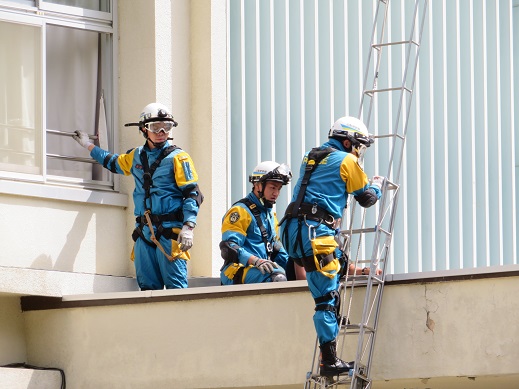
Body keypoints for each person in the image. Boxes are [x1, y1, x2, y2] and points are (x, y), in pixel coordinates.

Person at [279, 116, 383, 376]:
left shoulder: (310, 156)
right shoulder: (348, 160)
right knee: (325, 299)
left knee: (340, 262)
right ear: (348, 142)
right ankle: (329, 361)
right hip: (316, 233)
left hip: (292, 230)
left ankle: (333, 319)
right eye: (359, 146)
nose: (360, 152)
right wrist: (378, 186)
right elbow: (366, 198)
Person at [73, 102, 203, 290]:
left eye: (166, 127)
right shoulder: (136, 156)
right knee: (147, 289)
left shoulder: (178, 157)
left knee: (176, 289)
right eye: (155, 127)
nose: (161, 132)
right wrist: (87, 145)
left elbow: (193, 193)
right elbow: (113, 162)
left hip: (169, 233)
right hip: (144, 232)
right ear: (144, 129)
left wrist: (189, 226)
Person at [220, 161, 292, 285]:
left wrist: (296, 264)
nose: (276, 193)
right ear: (258, 185)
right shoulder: (240, 211)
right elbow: (229, 247)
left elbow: (275, 248)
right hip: (237, 270)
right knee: (277, 277)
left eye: (279, 189)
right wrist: (255, 261)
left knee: (299, 272)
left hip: (261, 268)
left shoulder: (269, 215)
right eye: (272, 187)